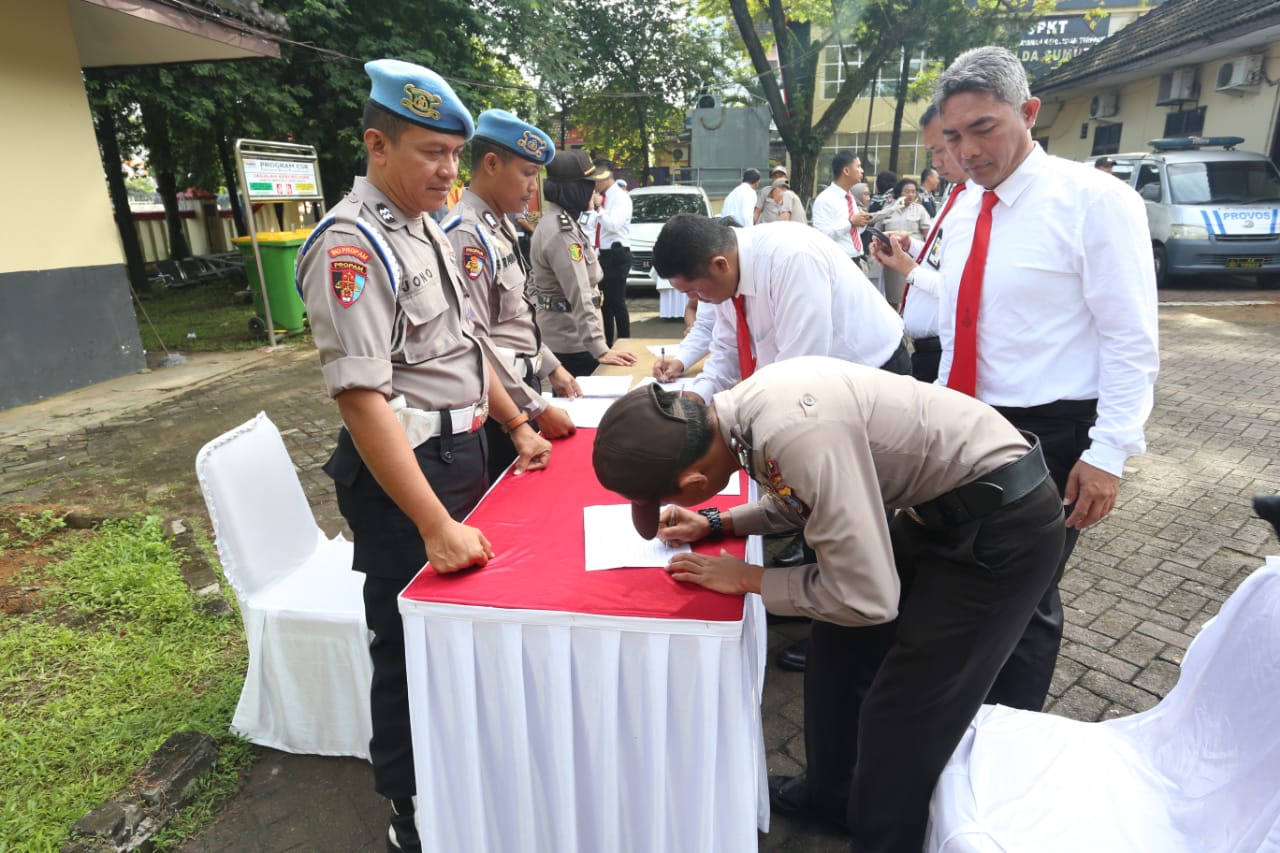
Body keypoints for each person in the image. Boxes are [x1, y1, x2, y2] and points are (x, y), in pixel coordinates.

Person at [592, 356, 1066, 853]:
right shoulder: (743, 414)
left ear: (692, 481)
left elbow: (866, 599)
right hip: (944, 508)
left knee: (903, 714)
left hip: (999, 530)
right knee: (836, 651)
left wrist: (753, 578)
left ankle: (884, 841)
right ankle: (831, 798)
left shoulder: (793, 430)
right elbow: (804, 496)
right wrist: (718, 523)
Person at [293, 59, 553, 853]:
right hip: (408, 477)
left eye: (453, 153)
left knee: (463, 631)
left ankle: (467, 762)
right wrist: (435, 522)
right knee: (406, 644)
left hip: (465, 451)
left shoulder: (426, 227)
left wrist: (517, 423)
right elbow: (363, 399)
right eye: (431, 153)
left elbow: (467, 347)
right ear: (377, 145)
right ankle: (409, 805)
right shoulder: (353, 245)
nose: (448, 169)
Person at [934, 46, 1159, 711]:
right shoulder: (968, 206)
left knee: (1025, 598)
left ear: (1029, 112)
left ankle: (1011, 746)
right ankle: (963, 729)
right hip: (970, 423)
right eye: (953, 135)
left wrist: (1108, 452)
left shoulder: (1096, 201)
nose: (967, 150)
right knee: (971, 580)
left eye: (984, 128)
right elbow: (961, 326)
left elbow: (1130, 338)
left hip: (1055, 433)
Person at [442, 109, 581, 482]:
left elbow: (518, 313)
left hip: (522, 385)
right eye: (527, 173)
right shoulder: (465, 235)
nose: (533, 187)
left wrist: (552, 366)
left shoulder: (499, 224)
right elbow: (475, 339)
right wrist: (533, 409)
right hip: (501, 405)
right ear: (491, 163)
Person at [871, 104, 968, 383]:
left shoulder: (976, 203)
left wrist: (909, 269)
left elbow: (957, 288)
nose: (935, 163)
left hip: (942, 349)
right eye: (932, 152)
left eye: (941, 150)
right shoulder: (957, 196)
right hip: (929, 350)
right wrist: (911, 246)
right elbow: (939, 257)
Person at [528, 150, 637, 376]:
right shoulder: (562, 232)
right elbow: (579, 291)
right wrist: (599, 348)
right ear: (574, 189)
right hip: (574, 340)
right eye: (589, 186)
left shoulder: (559, 222)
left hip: (569, 334)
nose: (594, 191)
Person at [583, 158, 633, 346]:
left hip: (616, 254)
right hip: (602, 254)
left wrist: (599, 208)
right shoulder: (603, 197)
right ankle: (608, 344)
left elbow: (613, 225)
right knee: (604, 304)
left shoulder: (620, 197)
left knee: (617, 302)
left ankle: (625, 342)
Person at [871, 177, 933, 308]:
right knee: (892, 293)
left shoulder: (920, 210)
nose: (910, 194)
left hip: (912, 256)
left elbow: (927, 233)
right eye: (907, 191)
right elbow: (876, 228)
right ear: (899, 192)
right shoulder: (889, 209)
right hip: (892, 256)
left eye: (913, 191)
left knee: (911, 292)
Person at [811, 152, 874, 273]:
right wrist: (851, 223)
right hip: (839, 264)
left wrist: (861, 222)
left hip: (858, 261)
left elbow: (855, 232)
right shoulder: (825, 200)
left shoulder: (849, 197)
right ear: (846, 171)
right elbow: (822, 236)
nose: (862, 171)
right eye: (858, 166)